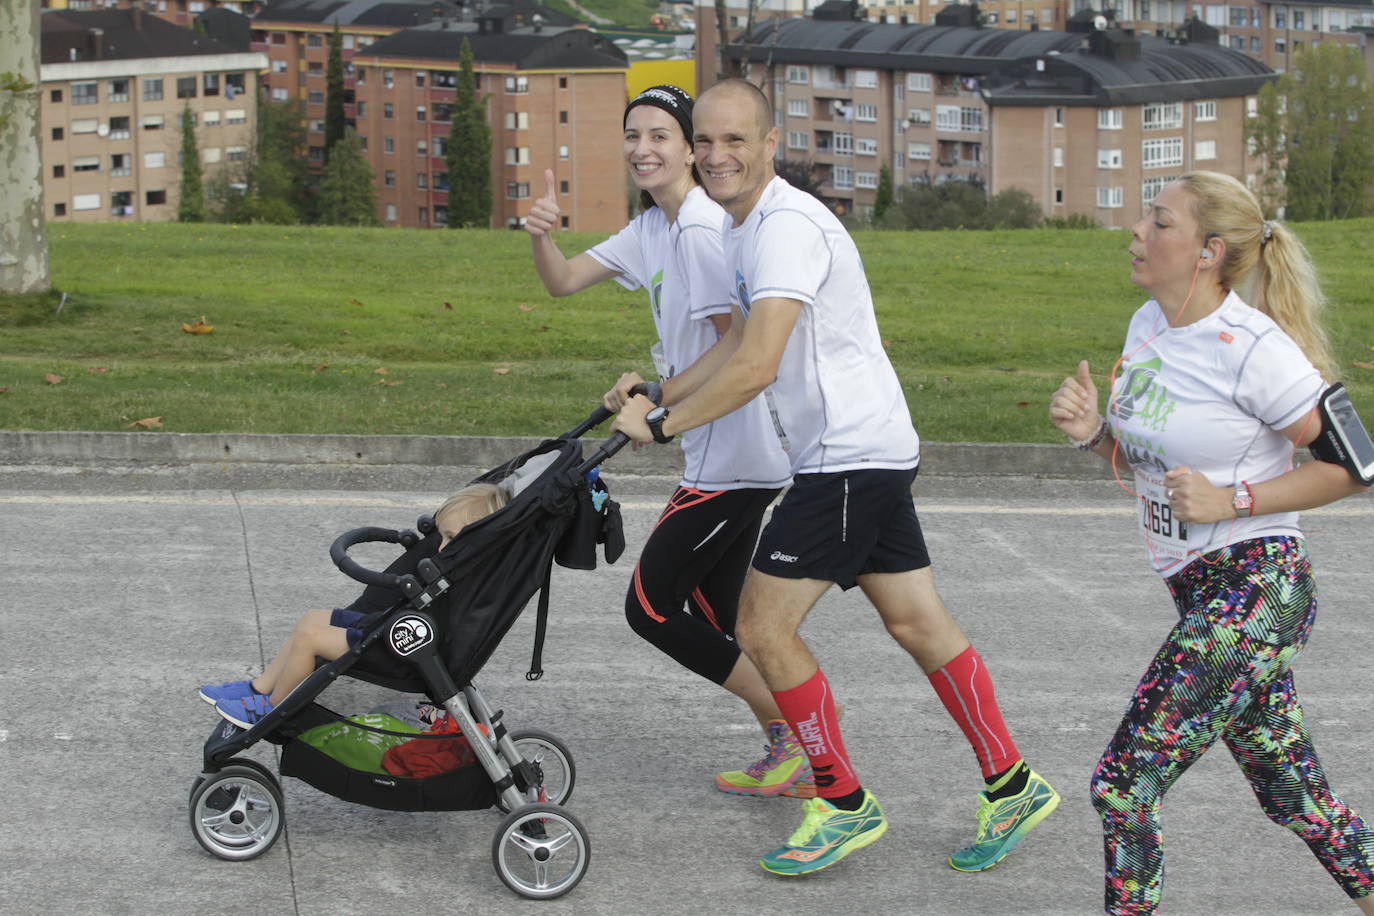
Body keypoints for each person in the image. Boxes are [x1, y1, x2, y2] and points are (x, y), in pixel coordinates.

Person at [614, 78, 1058, 876]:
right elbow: (736, 343)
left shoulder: (783, 228)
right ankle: (1013, 784)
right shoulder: (748, 227)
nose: (716, 156)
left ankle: (842, 801)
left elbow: (756, 365)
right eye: (705, 141)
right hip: (870, 449)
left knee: (761, 628)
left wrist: (663, 426)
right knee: (918, 624)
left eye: (735, 140)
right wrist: (664, 392)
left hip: (845, 458)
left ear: (770, 143)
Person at [1049, 171, 1374, 914]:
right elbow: (1154, 465)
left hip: (1258, 591)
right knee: (1296, 797)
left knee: (1123, 784)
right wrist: (1094, 433)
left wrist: (1236, 499)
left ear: (1209, 251)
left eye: (1160, 221)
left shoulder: (1253, 348)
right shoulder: (1147, 325)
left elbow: (1355, 466)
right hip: (1201, 592)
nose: (1138, 231)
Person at [523, 86, 807, 796]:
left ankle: (804, 735)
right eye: (633, 135)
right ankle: (799, 747)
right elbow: (563, 283)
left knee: (651, 608)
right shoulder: (655, 225)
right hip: (719, 451)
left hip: (736, 456)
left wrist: (658, 403)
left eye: (660, 135)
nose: (642, 148)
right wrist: (541, 236)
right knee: (722, 617)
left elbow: (736, 343)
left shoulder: (703, 229)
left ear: (689, 149)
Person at [199, 483, 510, 730]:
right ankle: (259, 687)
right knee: (312, 619)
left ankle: (270, 709)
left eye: (450, 538)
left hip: (405, 651)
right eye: (441, 536)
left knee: (310, 639)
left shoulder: (468, 576)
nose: (441, 547)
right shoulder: (463, 565)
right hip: (394, 629)